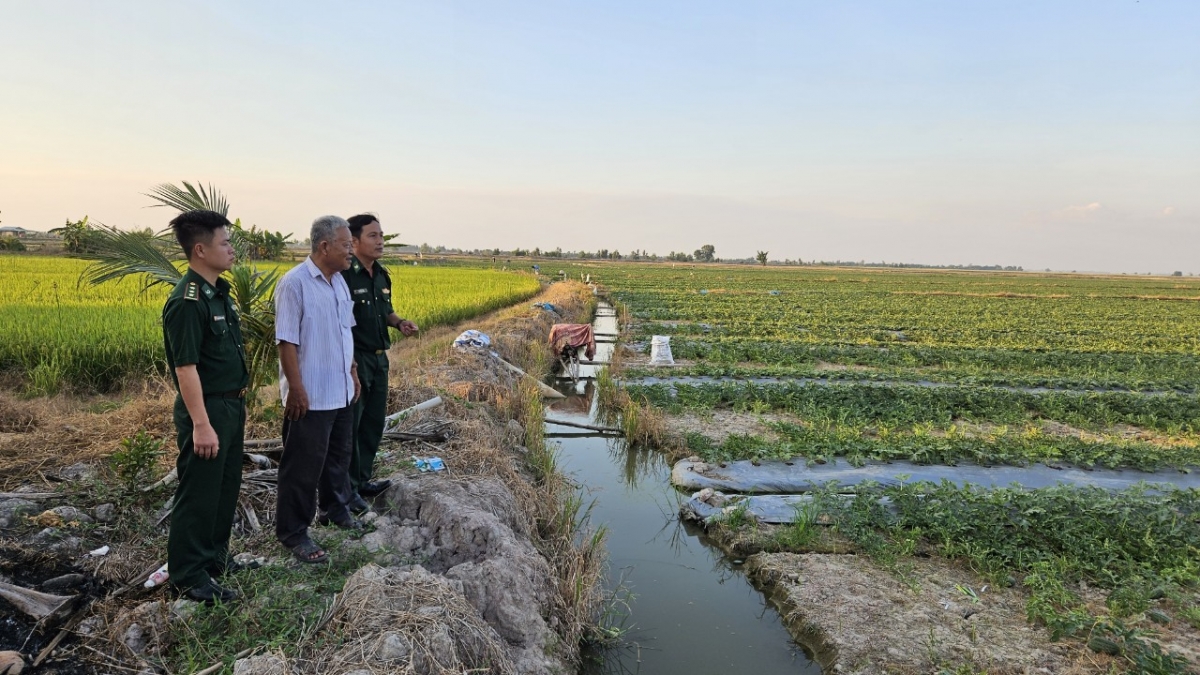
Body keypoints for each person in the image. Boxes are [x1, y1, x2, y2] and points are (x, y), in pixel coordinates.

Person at [161, 210, 247, 604]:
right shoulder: (186, 301)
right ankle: (188, 575)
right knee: (198, 492)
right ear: (200, 250)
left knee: (224, 488)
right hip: (207, 410)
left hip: (230, 407)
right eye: (224, 243)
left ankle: (215, 559)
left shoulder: (218, 293)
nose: (231, 249)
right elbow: (186, 367)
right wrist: (201, 424)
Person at [274, 215, 362, 564]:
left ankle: (335, 511)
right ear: (324, 246)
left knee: (337, 459)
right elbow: (286, 341)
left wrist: (352, 372)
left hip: (340, 390)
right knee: (302, 467)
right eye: (346, 245)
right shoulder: (294, 284)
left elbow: (345, 334)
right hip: (310, 394)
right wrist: (296, 389)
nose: (351, 252)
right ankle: (294, 533)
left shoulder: (339, 282)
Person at [341, 214, 419, 514]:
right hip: (355, 359)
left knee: (372, 423)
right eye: (373, 236)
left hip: (378, 359)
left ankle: (362, 481)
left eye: (382, 236)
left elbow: (385, 311)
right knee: (352, 425)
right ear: (355, 241)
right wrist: (349, 364)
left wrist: (399, 323)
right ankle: (345, 490)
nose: (380, 242)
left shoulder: (382, 275)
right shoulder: (346, 276)